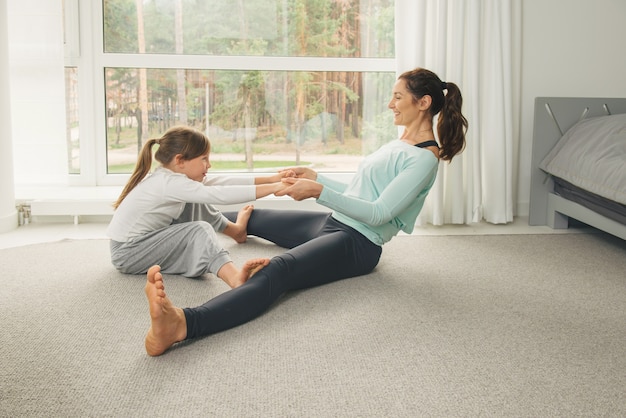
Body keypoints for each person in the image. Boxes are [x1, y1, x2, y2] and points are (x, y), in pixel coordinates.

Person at [143, 67, 468, 356]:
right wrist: (315, 177)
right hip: (335, 223)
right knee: (249, 214)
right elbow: (360, 192)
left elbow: (379, 212)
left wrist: (318, 192)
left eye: (398, 97)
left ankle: (184, 324)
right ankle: (179, 227)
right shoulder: (400, 144)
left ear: (423, 102)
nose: (390, 104)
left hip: (358, 243)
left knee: (278, 270)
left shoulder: (424, 159)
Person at [107, 125, 291, 288]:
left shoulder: (174, 178)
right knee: (198, 229)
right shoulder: (169, 184)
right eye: (204, 159)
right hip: (128, 253)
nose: (209, 164)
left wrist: (272, 179)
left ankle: (235, 231)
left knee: (195, 196)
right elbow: (220, 195)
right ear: (180, 160)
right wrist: (274, 188)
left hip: (137, 244)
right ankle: (235, 278)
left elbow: (221, 182)